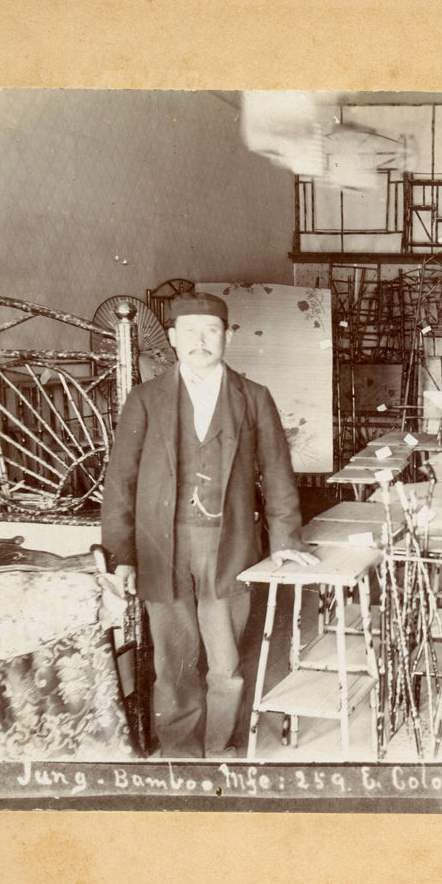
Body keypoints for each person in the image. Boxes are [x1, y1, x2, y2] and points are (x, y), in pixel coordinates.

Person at [101, 294, 316, 758]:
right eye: (190, 331)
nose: (201, 341)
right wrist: (121, 556)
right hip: (162, 545)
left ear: (228, 336)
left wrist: (284, 541)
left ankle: (219, 748)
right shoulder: (144, 398)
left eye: (212, 330)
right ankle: (180, 752)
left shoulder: (253, 397)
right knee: (173, 660)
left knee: (225, 661)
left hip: (229, 544)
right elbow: (120, 481)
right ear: (173, 339)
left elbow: (277, 473)